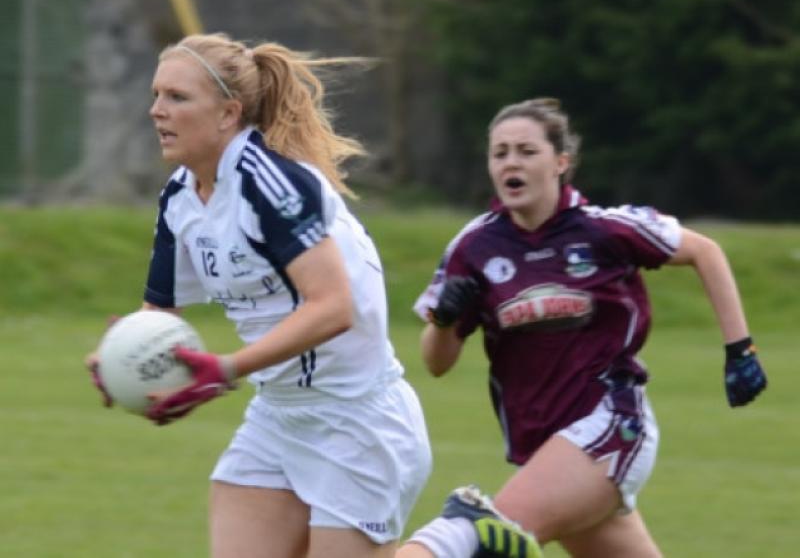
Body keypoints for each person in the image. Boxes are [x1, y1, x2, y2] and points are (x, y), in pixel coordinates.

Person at [85, 33, 433, 558]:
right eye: (157, 95)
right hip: (278, 417)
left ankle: (463, 538)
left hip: (358, 419)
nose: (157, 111)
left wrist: (226, 368)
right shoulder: (181, 195)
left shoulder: (270, 183)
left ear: (228, 113)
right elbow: (158, 312)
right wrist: (117, 357)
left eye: (177, 97)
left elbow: (333, 307)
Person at [396, 98, 767, 558]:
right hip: (543, 450)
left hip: (611, 424)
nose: (511, 162)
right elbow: (436, 362)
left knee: (475, 537)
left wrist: (740, 349)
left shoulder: (604, 229)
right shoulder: (474, 247)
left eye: (527, 151)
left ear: (561, 162)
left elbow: (704, 251)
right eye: (501, 152)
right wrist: (445, 321)